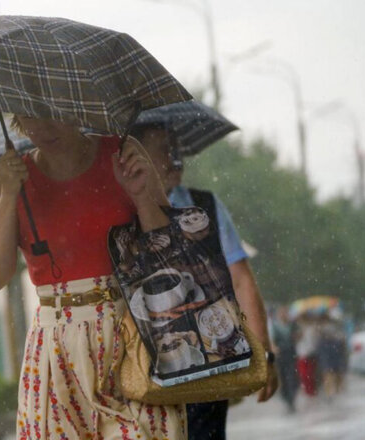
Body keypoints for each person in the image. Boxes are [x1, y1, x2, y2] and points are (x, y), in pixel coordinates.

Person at [0, 115, 186, 440]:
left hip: (131, 334)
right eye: (29, 115)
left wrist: (142, 196)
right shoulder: (12, 175)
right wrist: (8, 194)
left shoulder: (122, 153)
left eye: (51, 112)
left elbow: (172, 256)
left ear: (73, 105)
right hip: (54, 347)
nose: (42, 127)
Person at [130, 123, 278, 439]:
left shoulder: (205, 208)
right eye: (162, 151)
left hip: (207, 362)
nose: (175, 160)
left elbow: (241, 280)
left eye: (176, 149)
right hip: (147, 369)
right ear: (135, 158)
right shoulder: (120, 212)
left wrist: (265, 355)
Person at [271, 305, 299, 412]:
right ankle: (286, 398)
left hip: (291, 354)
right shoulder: (275, 326)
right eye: (282, 313)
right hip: (281, 355)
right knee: (283, 378)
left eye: (285, 313)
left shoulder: (293, 325)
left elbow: (298, 337)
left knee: (292, 377)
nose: (283, 315)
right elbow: (272, 340)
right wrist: (274, 349)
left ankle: (292, 398)